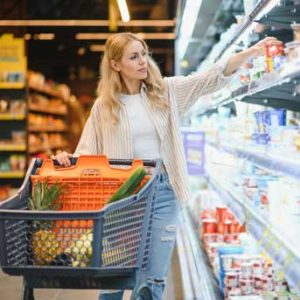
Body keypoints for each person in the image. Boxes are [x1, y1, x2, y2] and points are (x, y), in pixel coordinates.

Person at [52, 32, 282, 299]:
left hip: (163, 191)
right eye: (134, 56)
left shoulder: (166, 91)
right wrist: (67, 160)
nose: (143, 61)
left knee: (152, 280)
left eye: (144, 54)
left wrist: (251, 52)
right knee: (113, 275)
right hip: (122, 197)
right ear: (115, 65)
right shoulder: (104, 107)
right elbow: (87, 152)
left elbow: (209, 78)